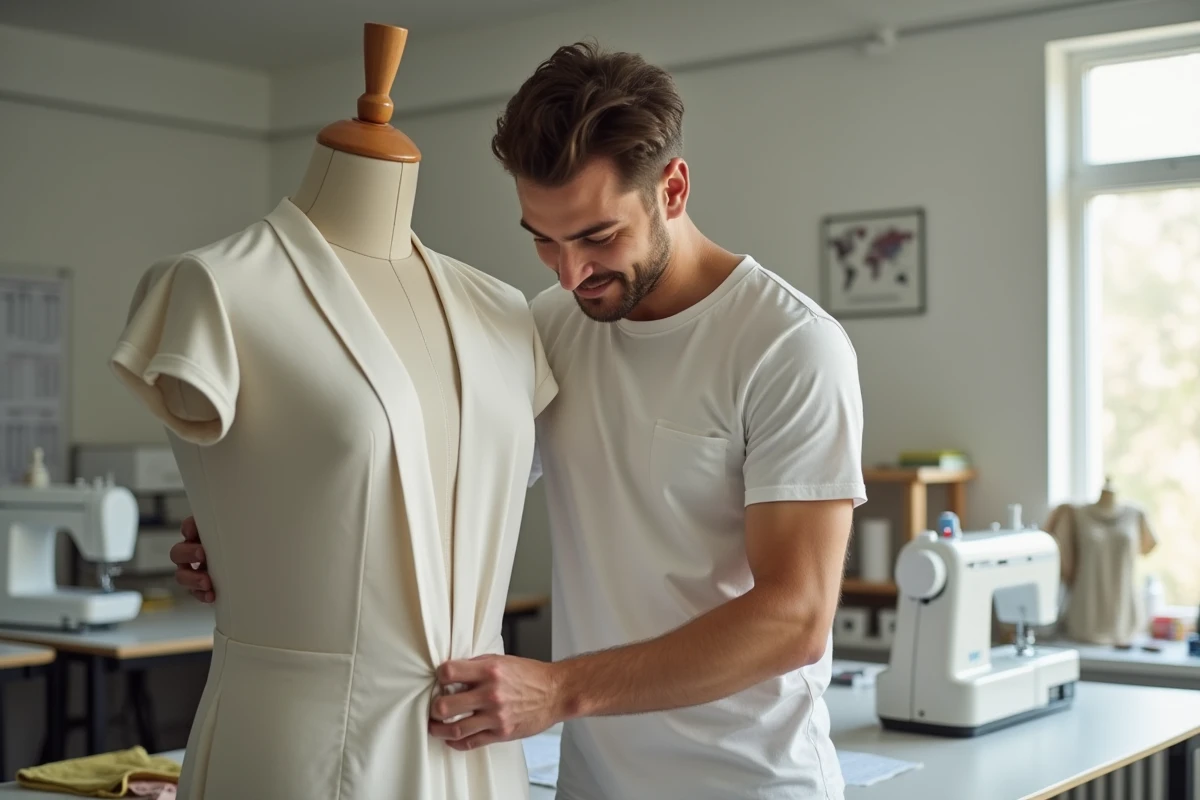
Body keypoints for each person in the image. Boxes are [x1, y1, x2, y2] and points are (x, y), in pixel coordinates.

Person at [172, 41, 865, 800]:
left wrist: (562, 691)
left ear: (672, 188)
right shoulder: (550, 328)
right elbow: (437, 486)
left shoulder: (790, 347)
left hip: (752, 785)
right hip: (590, 784)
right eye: (543, 238)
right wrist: (256, 532)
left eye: (598, 237)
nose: (570, 274)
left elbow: (794, 617)